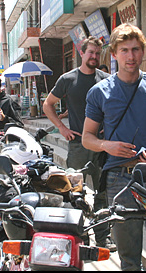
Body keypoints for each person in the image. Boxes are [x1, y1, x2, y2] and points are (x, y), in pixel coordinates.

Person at [82, 23, 146, 270]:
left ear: (143, 52)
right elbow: (87, 137)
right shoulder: (99, 92)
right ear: (115, 54)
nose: (131, 56)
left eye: (136, 49)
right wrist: (107, 145)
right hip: (119, 180)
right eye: (125, 50)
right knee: (129, 258)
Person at [43, 36, 114, 251]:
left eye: (97, 53)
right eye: (90, 52)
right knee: (75, 192)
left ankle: (103, 238)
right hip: (77, 146)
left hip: (102, 146)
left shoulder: (106, 79)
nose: (93, 56)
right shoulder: (68, 79)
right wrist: (62, 128)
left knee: (103, 193)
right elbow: (48, 105)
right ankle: (79, 236)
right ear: (81, 53)